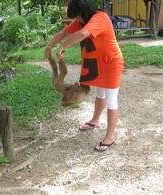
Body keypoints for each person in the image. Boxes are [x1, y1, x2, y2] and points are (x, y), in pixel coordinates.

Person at [44, 0, 124, 152]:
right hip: (97, 64)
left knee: (111, 99)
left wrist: (62, 46)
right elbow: (64, 32)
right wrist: (50, 45)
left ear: (85, 12)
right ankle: (95, 120)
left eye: (78, 17)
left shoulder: (100, 18)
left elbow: (83, 34)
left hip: (111, 63)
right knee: (99, 94)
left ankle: (110, 137)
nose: (77, 21)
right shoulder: (82, 21)